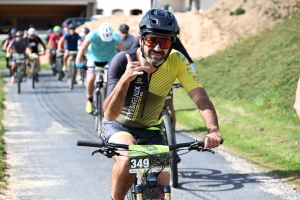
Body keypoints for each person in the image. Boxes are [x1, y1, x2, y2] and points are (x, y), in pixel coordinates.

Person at [101, 9, 222, 200]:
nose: (157, 48)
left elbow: (201, 99)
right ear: (141, 39)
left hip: (152, 129)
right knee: (128, 160)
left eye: (164, 42)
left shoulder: (177, 61)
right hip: (120, 126)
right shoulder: (123, 61)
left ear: (172, 43)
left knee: (161, 187)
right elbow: (109, 114)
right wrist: (125, 81)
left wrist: (213, 129)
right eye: (152, 40)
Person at [131, 36, 196, 129]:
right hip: (147, 74)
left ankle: (172, 135)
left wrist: (191, 73)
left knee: (169, 106)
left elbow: (185, 55)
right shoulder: (146, 36)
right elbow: (131, 53)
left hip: (165, 76)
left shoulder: (173, 39)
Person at [75, 22, 125, 114]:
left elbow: (123, 53)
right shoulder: (93, 34)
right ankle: (89, 99)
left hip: (109, 59)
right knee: (90, 79)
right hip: (93, 58)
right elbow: (82, 48)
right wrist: (78, 61)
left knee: (110, 79)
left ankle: (109, 100)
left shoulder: (116, 37)